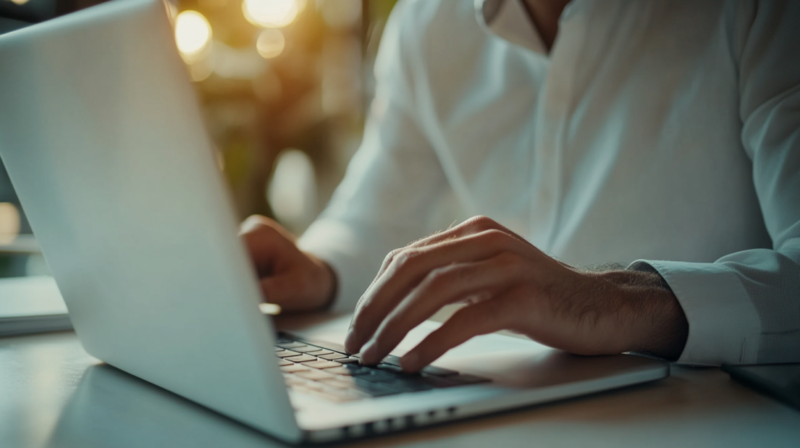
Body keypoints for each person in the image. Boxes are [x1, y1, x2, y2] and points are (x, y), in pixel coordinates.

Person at [240, 0, 800, 371]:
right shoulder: (426, 21)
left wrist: (616, 302)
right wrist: (318, 267)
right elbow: (374, 218)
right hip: (509, 407)